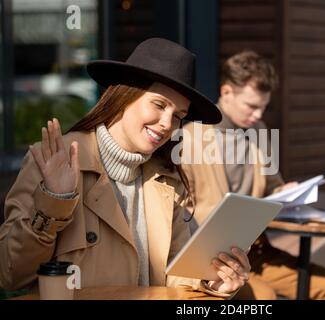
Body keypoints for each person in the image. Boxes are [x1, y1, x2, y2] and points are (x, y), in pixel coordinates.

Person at [0, 38, 250, 297]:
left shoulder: (166, 179)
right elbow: (10, 274)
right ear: (124, 95)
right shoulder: (54, 160)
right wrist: (55, 202)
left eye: (178, 116)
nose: (167, 124)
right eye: (159, 104)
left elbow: (177, 276)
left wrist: (212, 282)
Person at [181, 50, 325, 300]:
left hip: (257, 252)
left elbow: (272, 186)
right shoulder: (190, 138)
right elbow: (178, 211)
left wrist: (284, 192)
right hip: (213, 259)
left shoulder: (258, 131)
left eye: (264, 107)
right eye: (252, 106)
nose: (258, 115)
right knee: (263, 298)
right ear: (226, 92)